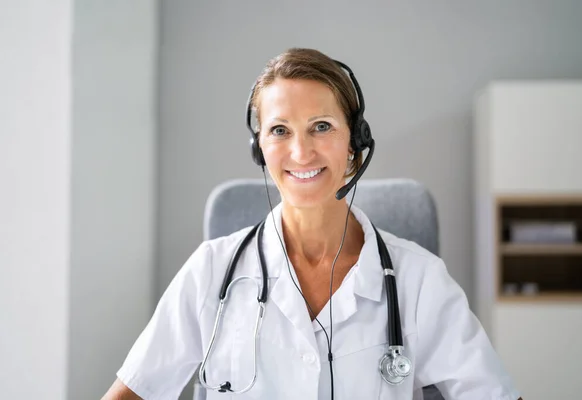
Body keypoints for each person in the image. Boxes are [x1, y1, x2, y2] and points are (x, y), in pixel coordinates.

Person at [102, 48, 522, 400]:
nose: (301, 152)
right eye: (280, 130)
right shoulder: (211, 271)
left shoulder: (419, 280)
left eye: (321, 127)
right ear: (259, 148)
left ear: (355, 144)